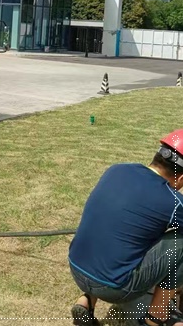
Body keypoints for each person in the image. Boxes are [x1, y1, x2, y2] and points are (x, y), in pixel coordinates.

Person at [68, 129, 183, 326]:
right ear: (180, 179)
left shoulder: (117, 169)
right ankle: (156, 316)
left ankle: (86, 301)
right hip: (114, 287)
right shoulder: (173, 202)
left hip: (76, 268)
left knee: (120, 228)